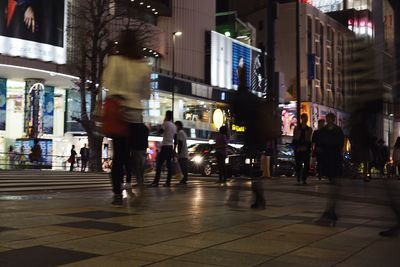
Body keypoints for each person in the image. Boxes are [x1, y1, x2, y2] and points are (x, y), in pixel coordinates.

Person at [102, 29, 151, 205]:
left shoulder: (114, 61)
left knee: (119, 157)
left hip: (119, 114)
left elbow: (106, 83)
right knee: (135, 155)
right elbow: (146, 94)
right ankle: (136, 182)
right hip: (136, 116)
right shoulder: (143, 65)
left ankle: (117, 193)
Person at [316, 112, 345, 225]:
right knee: (332, 181)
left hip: (334, 156)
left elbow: (340, 142)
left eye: (330, 118)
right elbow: (319, 141)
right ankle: (331, 211)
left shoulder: (337, 130)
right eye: (327, 118)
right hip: (327, 157)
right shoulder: (323, 131)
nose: (329, 120)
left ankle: (330, 211)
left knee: (334, 181)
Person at [151, 111, 177, 187]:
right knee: (169, 165)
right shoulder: (174, 126)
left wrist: (161, 125)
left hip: (165, 146)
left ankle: (156, 182)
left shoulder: (165, 123)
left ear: (166, 116)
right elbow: (175, 138)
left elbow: (160, 132)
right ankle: (168, 182)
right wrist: (174, 149)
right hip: (170, 147)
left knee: (159, 164)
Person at [292, 113, 313, 185]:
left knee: (306, 164)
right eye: (304, 118)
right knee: (298, 164)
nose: (306, 119)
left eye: (306, 118)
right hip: (298, 149)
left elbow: (309, 140)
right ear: (302, 119)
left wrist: (308, 148)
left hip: (306, 149)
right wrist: (296, 147)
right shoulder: (297, 128)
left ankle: (304, 178)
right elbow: (295, 138)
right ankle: (298, 176)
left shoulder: (309, 129)